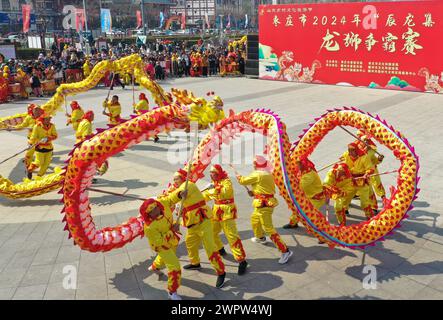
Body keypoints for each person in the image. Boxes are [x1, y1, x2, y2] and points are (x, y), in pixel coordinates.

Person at [160, 168, 226, 288]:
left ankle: (221, 272)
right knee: (190, 243)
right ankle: (195, 263)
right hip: (192, 223)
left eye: (176, 178)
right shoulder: (181, 189)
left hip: (203, 221)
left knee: (210, 248)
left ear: (183, 178)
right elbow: (176, 201)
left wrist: (163, 200)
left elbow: (172, 198)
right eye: (174, 179)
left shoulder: (188, 185)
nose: (174, 181)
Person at [236, 155, 293, 264]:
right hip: (263, 202)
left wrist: (239, 177)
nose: (253, 165)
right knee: (255, 219)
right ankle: (260, 238)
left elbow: (243, 181)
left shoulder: (257, 174)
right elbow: (263, 187)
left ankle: (285, 251)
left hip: (264, 205)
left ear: (256, 164)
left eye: (254, 163)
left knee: (269, 229)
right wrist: (254, 192)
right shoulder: (267, 173)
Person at [202, 165, 248, 276]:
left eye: (213, 172)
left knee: (232, 236)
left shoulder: (226, 181)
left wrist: (211, 189)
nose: (210, 174)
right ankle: (220, 248)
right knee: (212, 233)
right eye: (210, 173)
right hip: (216, 212)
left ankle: (242, 260)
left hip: (227, 212)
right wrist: (194, 197)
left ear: (218, 173)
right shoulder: (214, 184)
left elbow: (225, 192)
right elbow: (206, 196)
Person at [141, 198, 182, 300]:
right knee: (175, 267)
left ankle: (155, 267)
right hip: (161, 246)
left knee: (165, 258)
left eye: (155, 208)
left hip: (171, 241)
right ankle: (172, 292)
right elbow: (159, 241)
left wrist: (180, 194)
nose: (155, 211)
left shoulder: (165, 208)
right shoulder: (149, 227)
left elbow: (172, 196)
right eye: (151, 211)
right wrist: (172, 230)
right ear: (148, 214)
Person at [284, 157, 326, 229]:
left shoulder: (309, 175)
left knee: (311, 214)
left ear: (303, 164)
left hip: (315, 198)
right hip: (307, 195)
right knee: (297, 210)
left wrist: (289, 181)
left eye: (298, 164)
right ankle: (293, 223)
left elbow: (300, 187)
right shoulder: (303, 171)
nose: (296, 166)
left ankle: (321, 230)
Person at [340, 142, 375, 220]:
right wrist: (341, 162)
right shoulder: (347, 155)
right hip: (351, 180)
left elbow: (370, 168)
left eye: (352, 150)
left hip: (362, 181)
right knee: (346, 196)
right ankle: (344, 209)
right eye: (349, 150)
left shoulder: (364, 157)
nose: (350, 152)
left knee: (364, 201)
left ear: (356, 150)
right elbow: (342, 161)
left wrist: (366, 174)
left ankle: (369, 216)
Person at [357, 133, 387, 213]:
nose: (367, 141)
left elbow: (374, 161)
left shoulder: (372, 149)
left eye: (368, 140)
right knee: (368, 189)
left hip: (373, 169)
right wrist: (364, 151)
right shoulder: (356, 148)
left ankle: (383, 198)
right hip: (363, 172)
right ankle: (373, 206)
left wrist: (379, 159)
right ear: (360, 140)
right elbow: (357, 160)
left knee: (377, 183)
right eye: (365, 140)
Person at [27, 113, 58, 179]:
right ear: (43, 120)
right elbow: (33, 137)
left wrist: (49, 138)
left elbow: (55, 135)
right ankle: (30, 170)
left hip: (49, 147)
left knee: (46, 164)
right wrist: (30, 143)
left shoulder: (52, 126)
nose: (49, 120)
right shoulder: (37, 126)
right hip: (39, 147)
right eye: (47, 119)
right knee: (39, 162)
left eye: (49, 119)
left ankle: (39, 177)